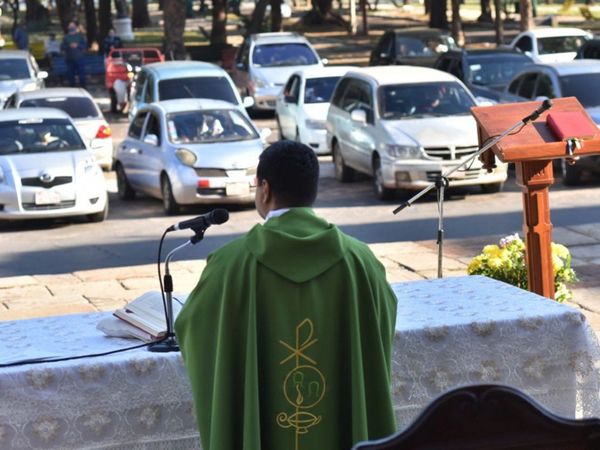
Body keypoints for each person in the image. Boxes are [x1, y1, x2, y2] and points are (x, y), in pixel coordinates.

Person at [175, 141, 398, 450]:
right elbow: (381, 320)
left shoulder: (229, 266)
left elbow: (193, 327)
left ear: (264, 189)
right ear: (313, 190)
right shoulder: (360, 262)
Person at [61, 21, 87, 88]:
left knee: (81, 75)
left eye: (73, 26)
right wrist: (69, 46)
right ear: (68, 27)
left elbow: (85, 45)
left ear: (75, 27)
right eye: (70, 26)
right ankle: (72, 88)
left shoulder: (80, 36)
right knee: (70, 75)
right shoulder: (66, 37)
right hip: (69, 59)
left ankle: (83, 88)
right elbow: (62, 47)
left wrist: (77, 45)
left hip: (79, 59)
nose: (71, 27)